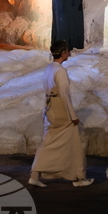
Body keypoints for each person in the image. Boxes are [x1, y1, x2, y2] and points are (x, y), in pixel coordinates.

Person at [30, 40, 93, 187]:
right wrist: (73, 116)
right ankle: (78, 177)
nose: (69, 53)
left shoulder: (49, 69)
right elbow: (65, 96)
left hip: (50, 110)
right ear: (63, 52)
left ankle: (37, 174)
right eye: (67, 51)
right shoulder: (60, 71)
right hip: (60, 112)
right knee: (72, 145)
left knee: (50, 142)